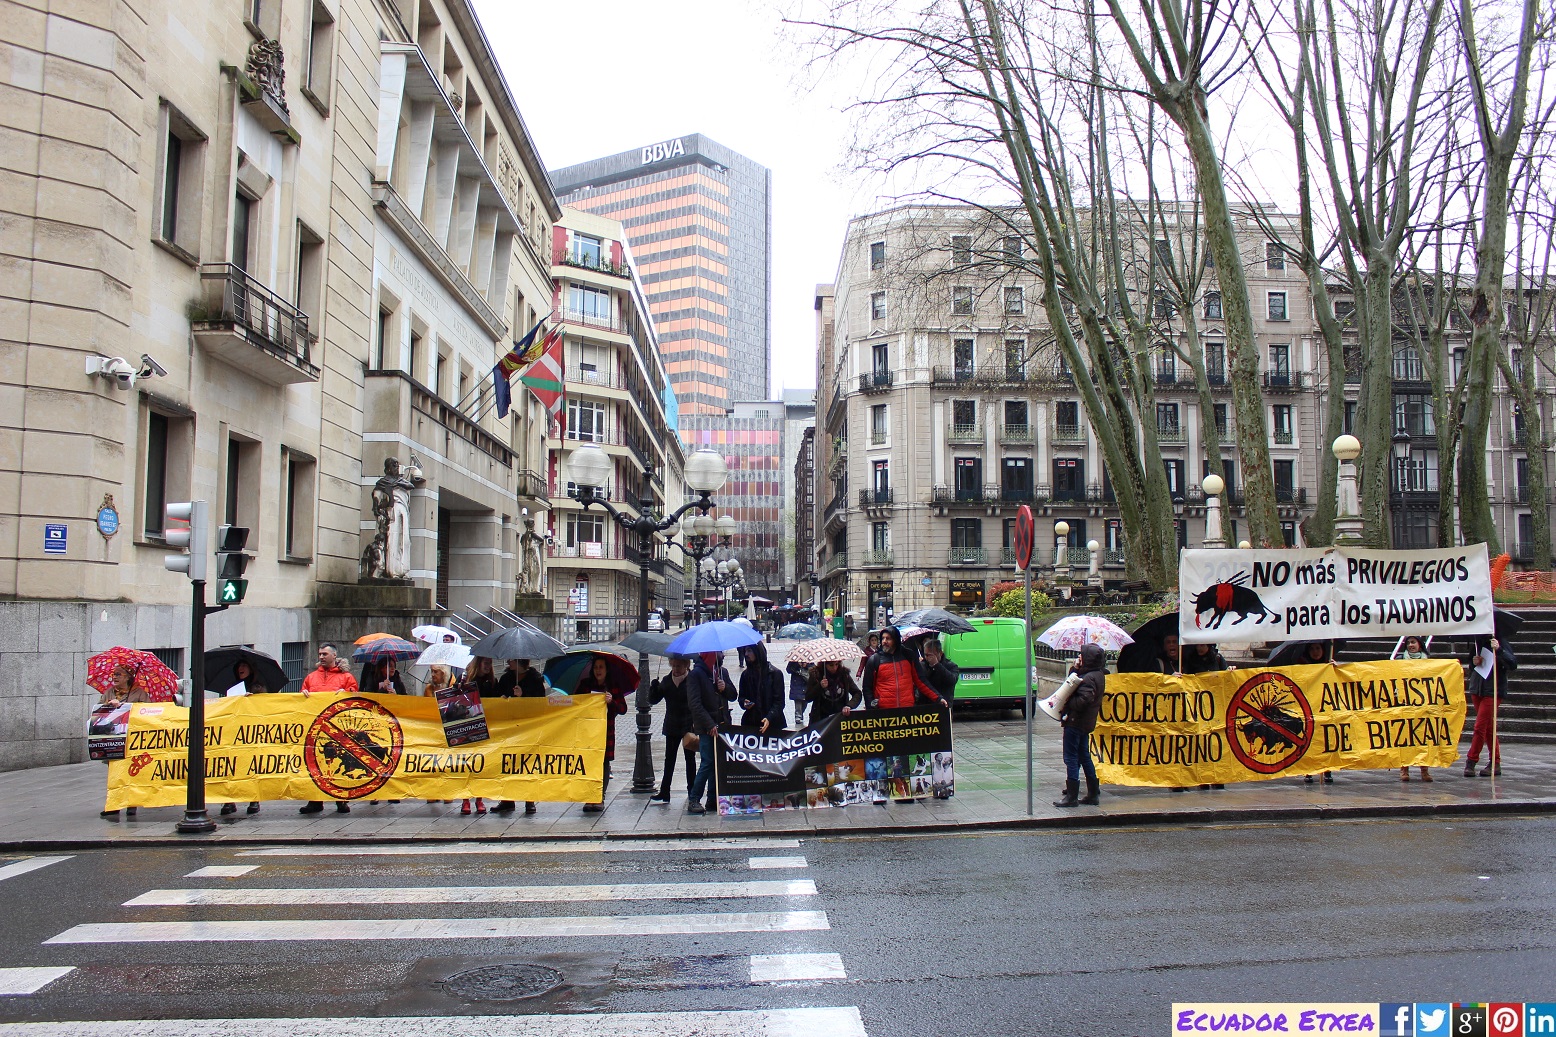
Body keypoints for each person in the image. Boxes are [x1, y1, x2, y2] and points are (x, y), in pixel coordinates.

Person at [299, 644, 359, 815]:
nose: (321, 657)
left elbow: (355, 697)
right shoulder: (311, 678)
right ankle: (315, 800)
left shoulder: (346, 677)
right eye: (320, 654)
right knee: (315, 763)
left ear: (334, 655)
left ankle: (341, 799)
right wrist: (303, 694)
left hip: (338, 729)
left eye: (325, 654)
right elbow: (302, 697)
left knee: (339, 762)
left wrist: (346, 692)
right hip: (316, 728)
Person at [574, 655, 629, 812]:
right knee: (588, 762)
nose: (598, 670)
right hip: (588, 730)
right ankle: (589, 796)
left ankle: (599, 797)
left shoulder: (613, 686)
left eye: (601, 667)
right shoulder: (585, 685)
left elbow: (623, 709)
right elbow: (576, 703)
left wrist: (612, 702)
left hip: (606, 730)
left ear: (606, 670)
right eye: (596, 667)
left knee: (604, 762)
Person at [1053, 644, 1105, 808]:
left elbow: (1083, 699)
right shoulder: (1096, 674)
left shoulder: (1089, 678)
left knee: (1071, 757)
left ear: (1088, 658)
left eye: (1082, 655)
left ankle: (1072, 796)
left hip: (1076, 722)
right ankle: (1092, 793)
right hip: (1085, 723)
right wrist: (1075, 669)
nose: (1079, 657)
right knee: (1084, 756)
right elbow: (1073, 681)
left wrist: (1068, 702)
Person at [685, 650, 736, 815]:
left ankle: (713, 799)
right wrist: (709, 724)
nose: (722, 655)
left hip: (723, 725)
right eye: (718, 652)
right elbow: (695, 704)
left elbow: (733, 695)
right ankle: (694, 798)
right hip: (707, 727)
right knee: (707, 762)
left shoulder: (722, 672)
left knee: (717, 763)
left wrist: (725, 687)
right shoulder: (696, 675)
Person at [493, 659, 546, 814]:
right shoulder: (506, 679)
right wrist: (502, 699)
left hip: (528, 727)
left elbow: (540, 702)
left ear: (520, 661)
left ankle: (529, 800)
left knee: (528, 763)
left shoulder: (535, 679)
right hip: (510, 727)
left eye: (512, 659)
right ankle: (507, 799)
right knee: (508, 762)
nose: (508, 661)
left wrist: (523, 695)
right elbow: (497, 697)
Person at [98, 664, 150, 820]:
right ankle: (113, 805)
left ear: (127, 677)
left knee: (131, 772)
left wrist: (125, 707)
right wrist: (107, 705)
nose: (114, 677)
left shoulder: (139, 693)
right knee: (114, 773)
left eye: (118, 674)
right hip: (113, 739)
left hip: (132, 739)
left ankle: (131, 804)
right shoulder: (109, 693)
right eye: (113, 674)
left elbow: (148, 712)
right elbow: (98, 711)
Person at [220, 661, 269, 816]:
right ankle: (229, 800)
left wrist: (251, 701)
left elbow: (264, 709)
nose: (241, 669)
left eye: (244, 666)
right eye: (239, 666)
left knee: (250, 767)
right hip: (232, 732)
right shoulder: (231, 687)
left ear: (251, 669)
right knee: (231, 767)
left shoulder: (259, 688)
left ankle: (253, 800)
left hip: (250, 733)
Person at [1464, 635, 1516, 778]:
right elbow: (1471, 664)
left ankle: (1471, 760)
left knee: (1479, 727)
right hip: (1477, 689)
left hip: (1493, 691)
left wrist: (1499, 650)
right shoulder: (1477, 642)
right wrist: (1474, 662)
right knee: (1488, 727)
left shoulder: (1501, 642)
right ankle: (1495, 762)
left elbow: (1512, 664)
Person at [649, 655, 696, 804]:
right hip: (672, 724)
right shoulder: (667, 680)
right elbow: (653, 700)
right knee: (669, 759)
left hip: (688, 724)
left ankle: (692, 791)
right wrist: (653, 688)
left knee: (690, 760)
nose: (675, 669)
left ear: (686, 665)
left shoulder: (692, 680)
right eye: (673, 666)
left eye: (679, 666)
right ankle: (665, 791)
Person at [861, 626, 943, 710]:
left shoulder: (908, 655)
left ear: (895, 640)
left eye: (888, 638)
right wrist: (871, 709)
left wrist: (938, 698)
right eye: (883, 638)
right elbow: (867, 688)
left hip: (907, 710)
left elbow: (921, 681)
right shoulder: (875, 660)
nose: (884, 641)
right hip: (884, 711)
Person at [457, 657, 499, 815]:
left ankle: (479, 798)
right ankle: (466, 800)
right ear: (478, 663)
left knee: (480, 765)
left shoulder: (492, 682)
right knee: (467, 765)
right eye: (486, 663)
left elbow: (496, 700)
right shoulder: (464, 679)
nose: (489, 666)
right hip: (467, 728)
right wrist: (458, 689)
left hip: (484, 728)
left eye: (490, 663)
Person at [1296, 641, 1335, 785]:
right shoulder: (1302, 667)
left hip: (1325, 709)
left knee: (1326, 740)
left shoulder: (1328, 665)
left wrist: (1334, 669)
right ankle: (1309, 770)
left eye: (1318, 648)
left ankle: (1327, 770)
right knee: (1310, 740)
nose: (1315, 652)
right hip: (1309, 709)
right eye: (1312, 649)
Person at [1399, 635, 1434, 782]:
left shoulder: (1429, 662)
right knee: (1405, 736)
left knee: (1423, 736)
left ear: (1420, 644)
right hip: (1405, 703)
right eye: (1408, 643)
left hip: (1423, 703)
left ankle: (1424, 769)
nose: (1410, 645)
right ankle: (1404, 768)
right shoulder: (1399, 661)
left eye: (1413, 642)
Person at [737, 642, 787, 734]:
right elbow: (741, 697)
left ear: (757, 652)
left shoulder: (775, 673)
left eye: (749, 650)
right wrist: (744, 703)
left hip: (773, 725)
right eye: (745, 651)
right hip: (751, 724)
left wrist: (769, 718)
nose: (746, 654)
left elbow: (779, 702)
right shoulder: (745, 675)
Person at [806, 659, 861, 723]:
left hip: (840, 717)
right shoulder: (816, 675)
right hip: (820, 719)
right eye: (831, 665)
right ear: (824, 665)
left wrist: (849, 706)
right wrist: (819, 686)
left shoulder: (844, 674)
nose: (834, 668)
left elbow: (857, 693)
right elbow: (808, 697)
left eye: (836, 664)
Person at [921, 638, 960, 704]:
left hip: (943, 703)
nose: (927, 658)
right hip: (925, 703)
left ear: (940, 653)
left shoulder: (951, 666)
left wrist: (937, 665)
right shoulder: (923, 665)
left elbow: (952, 680)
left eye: (930, 655)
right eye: (925, 655)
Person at [785, 659, 810, 727]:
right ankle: (798, 717)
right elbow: (788, 670)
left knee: (804, 703)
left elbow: (813, 668)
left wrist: (806, 665)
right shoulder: (794, 660)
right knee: (798, 703)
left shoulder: (808, 659)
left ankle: (800, 715)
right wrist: (797, 665)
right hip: (797, 686)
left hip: (806, 686)